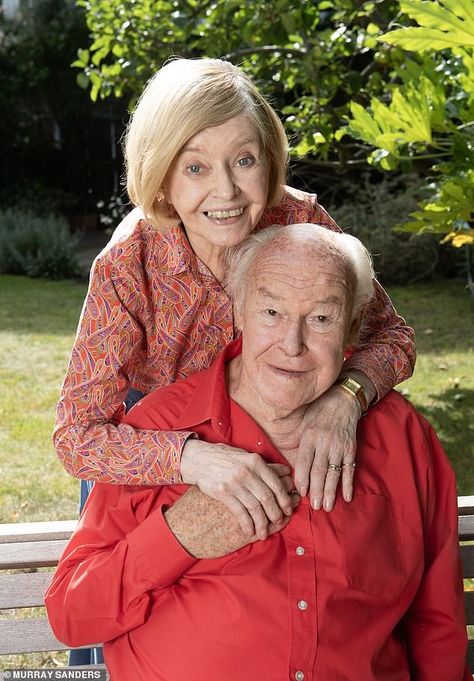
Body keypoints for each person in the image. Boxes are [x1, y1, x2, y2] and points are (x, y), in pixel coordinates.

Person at [46, 225, 470, 681]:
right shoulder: (158, 431)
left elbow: (436, 625)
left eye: (321, 319)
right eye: (271, 311)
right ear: (240, 311)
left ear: (353, 323)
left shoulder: (402, 438)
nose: (292, 345)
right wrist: (176, 539)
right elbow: (72, 615)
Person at [54, 57, 416, 534]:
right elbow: (77, 437)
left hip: (275, 428)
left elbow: (394, 338)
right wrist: (194, 458)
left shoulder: (300, 222)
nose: (226, 191)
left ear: (268, 160)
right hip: (162, 436)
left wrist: (347, 396)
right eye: (196, 168)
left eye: (244, 160)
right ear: (162, 179)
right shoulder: (127, 262)